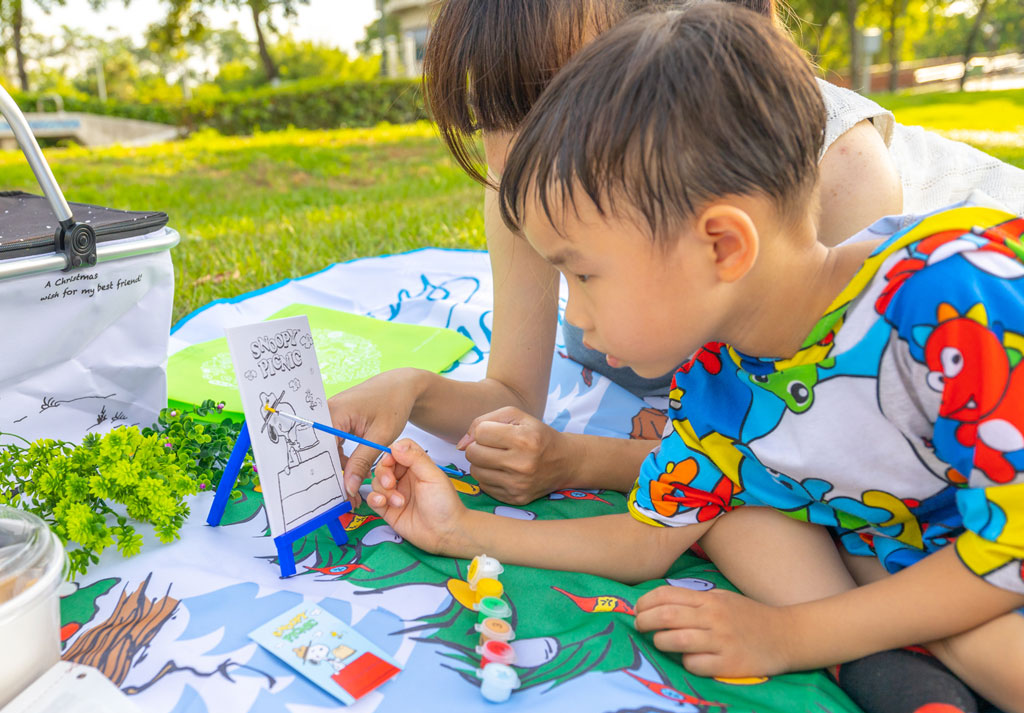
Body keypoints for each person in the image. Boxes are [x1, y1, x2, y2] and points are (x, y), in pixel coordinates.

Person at [364, 2, 1023, 713]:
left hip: (991, 519)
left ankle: (901, 665)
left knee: (982, 639)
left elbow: (1007, 548)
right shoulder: (717, 371)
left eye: (586, 276)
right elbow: (654, 537)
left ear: (720, 245)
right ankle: (901, 667)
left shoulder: (950, 297)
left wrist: (792, 635)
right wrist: (461, 530)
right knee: (791, 519)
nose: (573, 313)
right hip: (934, 517)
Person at [330, 0, 1024, 508]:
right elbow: (514, 397)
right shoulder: (533, 179)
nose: (510, 156)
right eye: (491, 115)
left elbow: (802, 462)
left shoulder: (832, 178)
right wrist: (416, 390)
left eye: (547, 101)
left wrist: (582, 459)